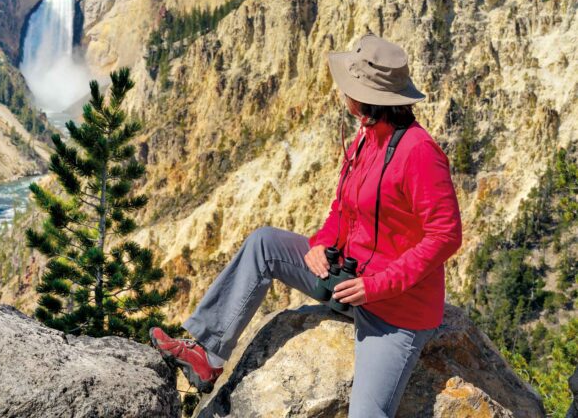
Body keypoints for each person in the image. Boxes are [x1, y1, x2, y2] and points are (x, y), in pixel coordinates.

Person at [149, 31, 463, 418]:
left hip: (394, 309)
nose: (342, 92)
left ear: (367, 99)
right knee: (264, 243)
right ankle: (207, 355)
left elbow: (445, 236)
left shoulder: (419, 153)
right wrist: (320, 244)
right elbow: (342, 208)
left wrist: (377, 286)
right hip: (346, 280)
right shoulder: (366, 137)